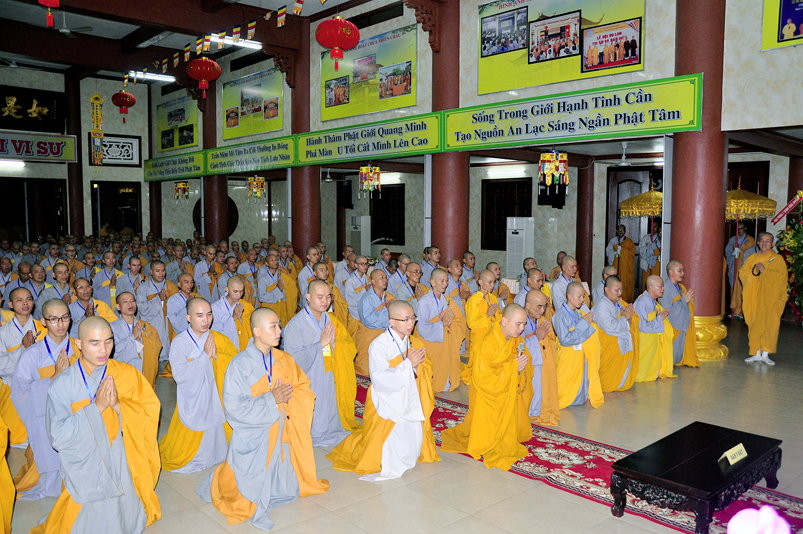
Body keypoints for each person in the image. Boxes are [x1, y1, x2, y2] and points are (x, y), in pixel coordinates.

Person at [198, 308, 329, 530]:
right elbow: (234, 408)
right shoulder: (239, 365)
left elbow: (304, 389)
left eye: (279, 325)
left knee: (284, 481)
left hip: (282, 429)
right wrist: (271, 400)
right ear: (257, 331)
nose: (279, 331)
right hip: (254, 435)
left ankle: (276, 485)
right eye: (273, 326)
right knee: (241, 494)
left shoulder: (285, 359)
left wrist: (288, 401)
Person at [32, 316, 161, 534]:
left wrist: (119, 406)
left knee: (123, 512)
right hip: (85, 461)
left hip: (121, 454)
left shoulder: (126, 373)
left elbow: (150, 409)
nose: (104, 350)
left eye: (108, 341)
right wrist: (97, 407)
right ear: (79, 343)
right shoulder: (63, 384)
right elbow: (58, 436)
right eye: (95, 343)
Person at [328, 301, 440, 480]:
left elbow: (426, 369)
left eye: (413, 318)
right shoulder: (379, 345)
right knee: (388, 448)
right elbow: (380, 378)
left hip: (410, 396)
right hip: (387, 398)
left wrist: (416, 367)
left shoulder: (415, 342)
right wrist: (408, 365)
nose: (411, 323)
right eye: (405, 319)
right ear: (392, 322)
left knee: (412, 441)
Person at [441, 304, 532, 471]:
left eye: (524, 324)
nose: (522, 328)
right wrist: (512, 368)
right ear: (504, 321)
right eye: (518, 323)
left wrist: (518, 369)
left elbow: (525, 364)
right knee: (487, 439)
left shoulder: (517, 341)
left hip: (507, 392)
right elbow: (482, 378)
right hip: (488, 396)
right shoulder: (487, 343)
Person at [11, 299, 80, 499]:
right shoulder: (32, 355)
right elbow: (20, 394)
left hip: (78, 415)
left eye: (65, 318)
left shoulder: (80, 347)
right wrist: (53, 377)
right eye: (54, 319)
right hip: (46, 418)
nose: (60, 324)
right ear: (43, 321)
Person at [159, 297, 236, 473]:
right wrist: (204, 357)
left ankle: (215, 453)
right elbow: (179, 374)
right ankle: (196, 456)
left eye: (209, 314)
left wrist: (217, 357)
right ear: (188, 318)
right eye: (199, 315)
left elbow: (235, 361)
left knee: (215, 427)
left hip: (215, 393)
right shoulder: (180, 342)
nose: (206, 320)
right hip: (194, 398)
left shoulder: (217, 337)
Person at [283, 280, 358, 446]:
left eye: (328, 296)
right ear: (308, 297)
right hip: (311, 376)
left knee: (330, 401)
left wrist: (335, 345)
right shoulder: (295, 325)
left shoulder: (332, 320)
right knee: (316, 405)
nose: (325, 301)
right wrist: (320, 344)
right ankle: (314, 432)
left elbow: (350, 346)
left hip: (330, 371)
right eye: (320, 297)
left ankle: (331, 428)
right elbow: (294, 360)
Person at [0, 287, 43, 446]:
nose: (25, 303)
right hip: (12, 390)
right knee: (14, 442)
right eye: (20, 300)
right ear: (10, 304)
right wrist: (22, 349)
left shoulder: (44, 328)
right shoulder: (3, 332)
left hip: (39, 391)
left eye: (29, 299)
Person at [552, 282, 604, 409]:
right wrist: (583, 325)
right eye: (579, 296)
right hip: (567, 358)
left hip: (580, 355)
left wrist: (586, 325)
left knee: (581, 377)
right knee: (565, 382)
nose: (582, 300)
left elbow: (585, 333)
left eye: (583, 296)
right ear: (569, 296)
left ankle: (580, 396)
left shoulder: (579, 314)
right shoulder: (559, 316)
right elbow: (565, 340)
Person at [741, 232, 788, 366]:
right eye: (762, 241)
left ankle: (765, 354)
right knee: (754, 323)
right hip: (754, 298)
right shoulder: (752, 258)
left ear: (772, 244)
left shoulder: (777, 259)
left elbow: (781, 278)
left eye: (768, 241)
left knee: (769, 324)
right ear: (758, 242)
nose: (764, 243)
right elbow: (743, 273)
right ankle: (755, 353)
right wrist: (754, 273)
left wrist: (765, 271)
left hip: (770, 300)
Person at [417, 269, 467, 393]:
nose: (445, 284)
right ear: (433, 282)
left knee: (446, 373)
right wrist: (441, 324)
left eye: (447, 281)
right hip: (431, 343)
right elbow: (421, 328)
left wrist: (449, 324)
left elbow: (457, 319)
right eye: (442, 281)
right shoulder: (424, 301)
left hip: (445, 340)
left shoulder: (446, 300)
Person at [592, 276, 639, 392]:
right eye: (616, 290)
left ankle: (619, 383)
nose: (620, 293)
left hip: (618, 344)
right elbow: (609, 328)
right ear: (607, 290)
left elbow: (622, 320)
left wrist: (629, 317)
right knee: (607, 379)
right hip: (608, 346)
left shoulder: (616, 303)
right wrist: (625, 318)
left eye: (621, 289)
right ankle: (609, 384)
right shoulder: (601, 306)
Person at [522, 290, 560, 426]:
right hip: (526, 366)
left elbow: (551, 342)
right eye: (539, 307)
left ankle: (538, 410)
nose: (543, 310)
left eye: (544, 306)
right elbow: (516, 347)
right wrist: (536, 338)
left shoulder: (542, 321)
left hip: (543, 364)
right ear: (527, 305)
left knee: (540, 389)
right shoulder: (519, 322)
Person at [111, 292, 161, 388]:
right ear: (118, 307)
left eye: (132, 301)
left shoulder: (146, 326)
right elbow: (113, 353)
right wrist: (132, 338)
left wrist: (142, 339)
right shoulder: (111, 328)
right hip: (123, 377)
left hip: (143, 375)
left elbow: (156, 347)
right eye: (125, 302)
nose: (130, 304)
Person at [461, 270, 502, 385]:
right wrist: (488, 314)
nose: (492, 285)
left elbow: (498, 317)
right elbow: (471, 323)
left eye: (494, 282)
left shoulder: (493, 298)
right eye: (489, 282)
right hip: (479, 338)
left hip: (492, 336)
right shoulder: (473, 300)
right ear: (480, 282)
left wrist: (495, 317)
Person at [633, 276, 677, 382]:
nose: (663, 289)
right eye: (660, 286)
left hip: (652, 338)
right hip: (644, 340)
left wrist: (659, 318)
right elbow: (642, 326)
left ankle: (651, 374)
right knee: (643, 364)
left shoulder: (652, 301)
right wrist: (659, 319)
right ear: (651, 288)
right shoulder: (642, 302)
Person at [659, 261, 700, 367]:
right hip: (674, 325)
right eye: (679, 271)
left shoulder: (681, 287)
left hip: (682, 323)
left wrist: (686, 301)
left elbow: (685, 305)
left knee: (678, 354)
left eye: (683, 270)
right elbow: (667, 309)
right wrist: (683, 300)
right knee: (671, 355)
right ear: (671, 272)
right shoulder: (665, 288)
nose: (682, 273)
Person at [356, 270, 395, 376]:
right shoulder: (366, 299)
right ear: (372, 281)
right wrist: (386, 309)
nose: (385, 280)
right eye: (381, 278)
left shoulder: (389, 297)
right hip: (369, 335)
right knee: (366, 367)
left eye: (386, 277)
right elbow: (368, 320)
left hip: (384, 335)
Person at [136, 261, 176, 361]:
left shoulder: (171, 286)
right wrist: (158, 299)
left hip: (168, 324)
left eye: (163, 270)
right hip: (153, 323)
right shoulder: (143, 288)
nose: (161, 273)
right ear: (151, 271)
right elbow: (142, 309)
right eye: (157, 271)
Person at [211, 276, 254, 352]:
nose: (239, 295)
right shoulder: (215, 308)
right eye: (235, 291)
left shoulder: (245, 305)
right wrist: (233, 318)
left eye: (241, 291)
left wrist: (241, 320)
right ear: (227, 289)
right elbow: (213, 331)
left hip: (243, 347)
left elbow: (253, 325)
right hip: (224, 349)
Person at [257, 250, 298, 326]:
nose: (275, 262)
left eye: (276, 260)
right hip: (269, 308)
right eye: (272, 260)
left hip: (282, 307)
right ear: (267, 263)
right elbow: (261, 297)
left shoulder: (282, 276)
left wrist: (284, 291)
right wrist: (278, 290)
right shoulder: (263, 279)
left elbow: (292, 289)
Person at [725, 223, 756, 317]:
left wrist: (741, 252)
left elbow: (752, 255)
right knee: (734, 287)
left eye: (741, 229)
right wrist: (733, 254)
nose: (739, 231)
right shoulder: (733, 240)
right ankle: (734, 311)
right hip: (734, 267)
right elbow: (727, 252)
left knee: (743, 289)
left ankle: (743, 311)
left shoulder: (750, 240)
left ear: (745, 228)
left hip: (744, 268)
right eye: (738, 229)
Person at [606, 225, 636, 302]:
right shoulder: (613, 241)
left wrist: (623, 250)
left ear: (625, 231)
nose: (621, 231)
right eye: (619, 230)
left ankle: (626, 300)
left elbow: (632, 253)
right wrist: (616, 252)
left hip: (626, 268)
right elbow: (608, 252)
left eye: (622, 230)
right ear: (616, 231)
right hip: (616, 265)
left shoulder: (628, 241)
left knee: (626, 283)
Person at [344, 255, 371, 340]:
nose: (365, 266)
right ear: (356, 265)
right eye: (362, 264)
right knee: (353, 338)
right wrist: (364, 290)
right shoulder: (350, 281)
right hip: (354, 313)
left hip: (365, 312)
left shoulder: (367, 278)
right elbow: (350, 300)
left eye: (366, 264)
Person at [166, 273, 198, 338]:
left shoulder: (196, 298)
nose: (190, 285)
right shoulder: (173, 300)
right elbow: (176, 324)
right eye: (186, 282)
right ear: (179, 284)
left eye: (191, 282)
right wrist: (187, 306)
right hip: (180, 336)